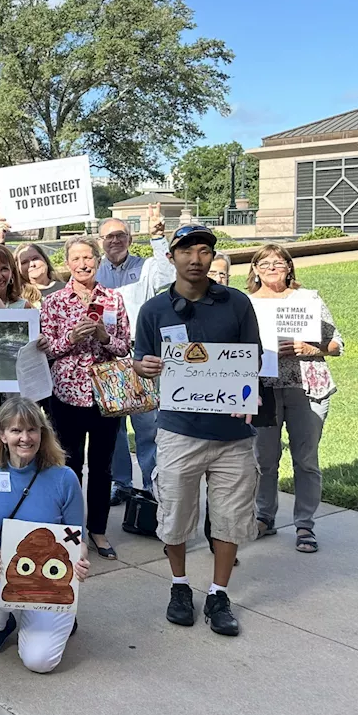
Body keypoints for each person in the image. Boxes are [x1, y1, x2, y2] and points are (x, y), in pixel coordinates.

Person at [133, 224, 261, 637]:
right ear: (171, 257)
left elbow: (252, 361)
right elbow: (140, 361)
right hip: (179, 429)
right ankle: (180, 586)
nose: (196, 259)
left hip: (232, 436)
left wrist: (248, 392)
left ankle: (219, 593)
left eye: (204, 251)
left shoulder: (237, 304)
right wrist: (143, 366)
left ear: (212, 258)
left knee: (230, 518)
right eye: (186, 251)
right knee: (175, 513)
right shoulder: (154, 310)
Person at [0, 398, 87, 671]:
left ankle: (54, 619)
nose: (25, 438)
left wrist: (79, 559)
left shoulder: (64, 477)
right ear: (2, 434)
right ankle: (1, 623)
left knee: (39, 662)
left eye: (32, 430)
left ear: (42, 434)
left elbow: (75, 536)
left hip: (51, 577)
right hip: (5, 560)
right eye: (16, 430)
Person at [247, 244, 343, 553]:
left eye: (278, 262)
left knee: (305, 459)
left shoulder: (307, 299)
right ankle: (264, 517)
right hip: (264, 390)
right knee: (264, 460)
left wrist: (311, 348)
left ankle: (305, 525)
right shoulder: (246, 303)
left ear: (290, 267)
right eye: (264, 263)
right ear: (255, 269)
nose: (272, 268)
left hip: (307, 388)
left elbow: (336, 343)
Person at [40, 235, 129, 562]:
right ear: (67, 264)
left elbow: (124, 347)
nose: (83, 264)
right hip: (66, 394)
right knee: (70, 465)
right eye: (76, 259)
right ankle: (70, 531)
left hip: (106, 394)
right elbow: (46, 350)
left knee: (103, 466)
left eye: (88, 258)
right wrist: (70, 338)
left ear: (98, 260)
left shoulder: (113, 300)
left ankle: (99, 529)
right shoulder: (53, 303)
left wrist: (105, 337)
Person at [95, 209, 173, 507]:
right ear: (100, 241)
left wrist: (158, 237)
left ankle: (152, 482)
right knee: (114, 428)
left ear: (130, 238)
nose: (114, 241)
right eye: (108, 236)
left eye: (120, 235)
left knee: (147, 425)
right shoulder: (95, 272)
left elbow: (168, 277)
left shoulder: (147, 267)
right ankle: (121, 483)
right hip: (108, 357)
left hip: (141, 352)